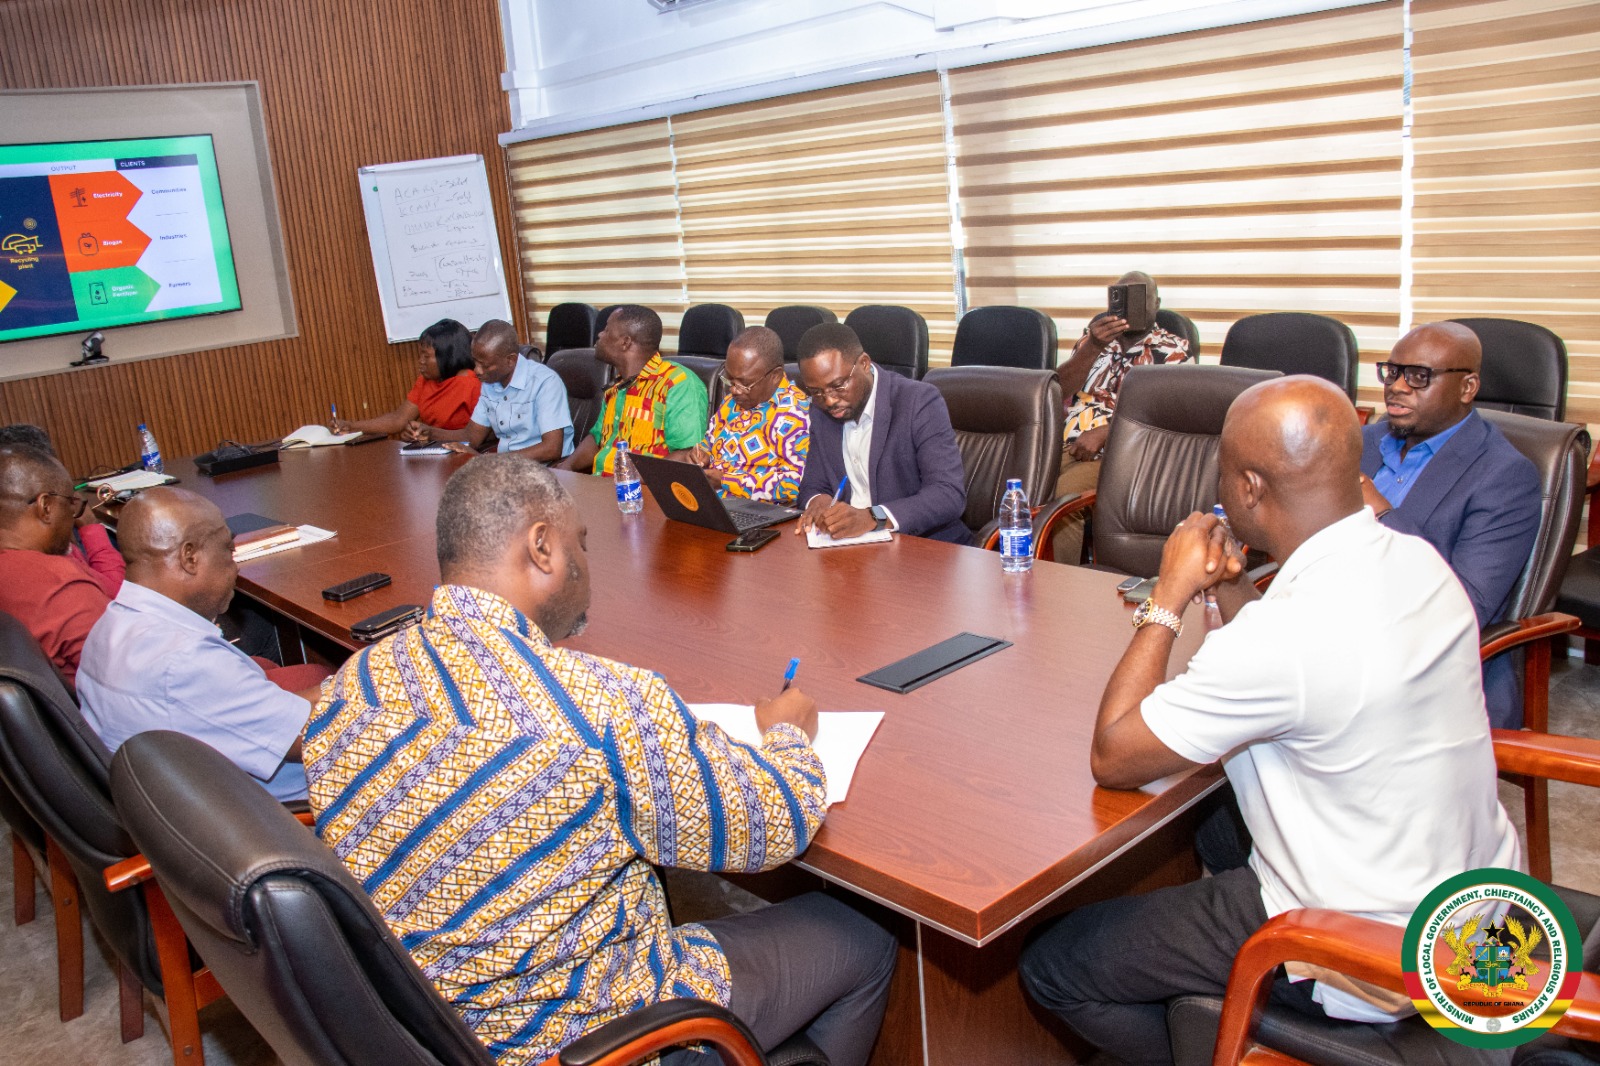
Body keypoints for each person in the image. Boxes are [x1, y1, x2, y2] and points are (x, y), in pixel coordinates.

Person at [304, 455, 895, 1066]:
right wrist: (788, 735)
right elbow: (775, 824)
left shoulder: (354, 684)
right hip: (581, 1036)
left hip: (423, 1026)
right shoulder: (596, 706)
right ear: (542, 548)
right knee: (865, 935)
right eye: (581, 543)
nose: (588, 564)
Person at [1019, 376, 1519, 1066]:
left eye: (1223, 472)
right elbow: (1296, 666)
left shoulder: (1284, 639)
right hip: (1470, 894)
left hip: (1365, 948)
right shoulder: (1415, 557)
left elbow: (1114, 754)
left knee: (1052, 963)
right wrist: (1227, 582)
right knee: (1207, 814)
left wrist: (1170, 594)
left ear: (1250, 487)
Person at [75, 487, 327, 802]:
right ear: (190, 557)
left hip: (178, 800)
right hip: (285, 810)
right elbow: (322, 732)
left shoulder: (107, 628)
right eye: (228, 550)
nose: (236, 566)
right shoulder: (186, 660)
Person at [1360, 321, 1541, 728]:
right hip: (1333, 628)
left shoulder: (1504, 476)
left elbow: (1465, 608)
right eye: (1392, 372)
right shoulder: (1361, 443)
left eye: (1419, 376)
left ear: (1467, 387)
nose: (1397, 387)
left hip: (1425, 670)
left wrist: (1382, 512)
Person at [1052, 272, 1191, 560]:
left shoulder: (1173, 350)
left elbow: (1170, 416)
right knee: (1022, 483)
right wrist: (1093, 347)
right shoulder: (1092, 340)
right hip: (1068, 443)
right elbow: (1056, 389)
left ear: (1156, 303)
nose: (1130, 306)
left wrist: (1106, 432)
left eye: (1140, 296)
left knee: (1065, 495)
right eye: (1122, 297)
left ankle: (1058, 578)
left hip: (1123, 453)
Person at [792, 322, 967, 544]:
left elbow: (948, 494)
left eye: (838, 386)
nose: (829, 400)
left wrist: (873, 517)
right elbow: (812, 485)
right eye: (816, 392)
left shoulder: (918, 401)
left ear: (864, 363)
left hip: (921, 545)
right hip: (849, 546)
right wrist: (818, 501)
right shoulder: (820, 411)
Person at [0, 444, 112, 686]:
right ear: (46, 507)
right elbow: (132, 676)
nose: (73, 515)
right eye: (70, 503)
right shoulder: (63, 586)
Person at [561, 305, 710, 476]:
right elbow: (598, 438)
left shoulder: (678, 383)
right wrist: (565, 469)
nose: (600, 335)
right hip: (600, 484)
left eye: (607, 330)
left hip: (641, 488)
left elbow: (687, 455)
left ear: (625, 342)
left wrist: (626, 481)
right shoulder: (617, 386)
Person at [671, 325, 809, 505]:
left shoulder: (794, 414)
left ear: (775, 376)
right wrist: (701, 455)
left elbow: (795, 483)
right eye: (729, 379)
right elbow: (707, 445)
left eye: (745, 384)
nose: (734, 390)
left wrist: (725, 480)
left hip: (755, 509)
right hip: (710, 499)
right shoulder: (732, 402)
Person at [411, 319, 573, 460]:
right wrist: (431, 433)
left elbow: (552, 449)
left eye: (485, 365)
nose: (477, 370)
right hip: (506, 467)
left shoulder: (545, 382)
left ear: (510, 360)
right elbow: (472, 436)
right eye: (475, 362)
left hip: (545, 469)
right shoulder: (490, 383)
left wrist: (491, 460)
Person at [331, 318, 482, 437]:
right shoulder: (426, 381)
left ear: (447, 357)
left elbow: (481, 436)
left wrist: (430, 434)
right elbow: (398, 419)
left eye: (426, 356)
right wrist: (351, 426)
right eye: (420, 355)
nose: (420, 361)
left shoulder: (472, 384)